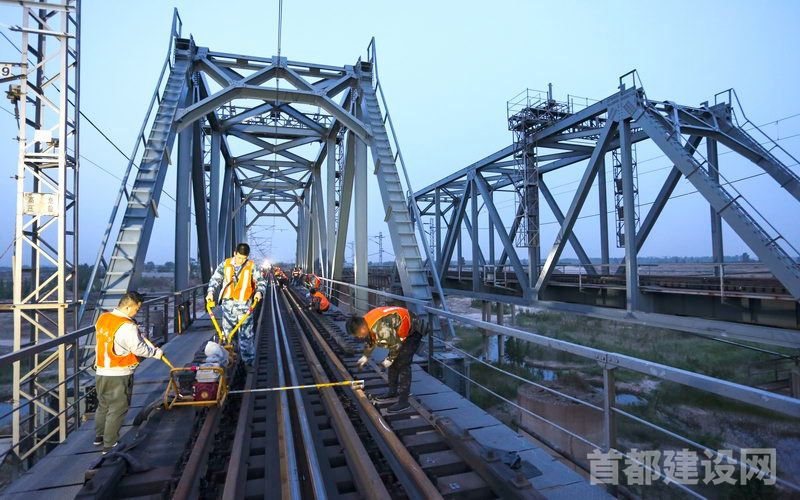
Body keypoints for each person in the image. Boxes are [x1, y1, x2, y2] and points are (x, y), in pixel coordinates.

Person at [94, 291, 164, 454]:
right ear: (127, 307)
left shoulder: (103, 318)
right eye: (136, 309)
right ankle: (110, 444)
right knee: (118, 407)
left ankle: (99, 436)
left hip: (102, 370)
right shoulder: (127, 326)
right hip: (119, 373)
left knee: (103, 405)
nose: (136, 313)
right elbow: (138, 348)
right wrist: (155, 353)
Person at [346, 306, 425, 413]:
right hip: (397, 331)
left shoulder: (380, 328)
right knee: (393, 363)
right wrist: (365, 356)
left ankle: (404, 402)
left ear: (362, 328)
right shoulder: (365, 322)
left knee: (403, 364)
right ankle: (392, 392)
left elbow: (396, 345)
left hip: (413, 330)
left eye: (358, 335)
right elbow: (371, 339)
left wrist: (389, 360)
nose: (359, 337)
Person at [206, 243, 266, 368]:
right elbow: (215, 279)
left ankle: (248, 362)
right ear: (235, 253)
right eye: (239, 257)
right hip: (228, 306)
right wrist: (210, 292)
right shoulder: (226, 264)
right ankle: (229, 361)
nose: (241, 260)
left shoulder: (251, 266)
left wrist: (259, 291)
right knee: (227, 335)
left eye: (244, 258)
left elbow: (261, 281)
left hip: (245, 306)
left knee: (246, 335)